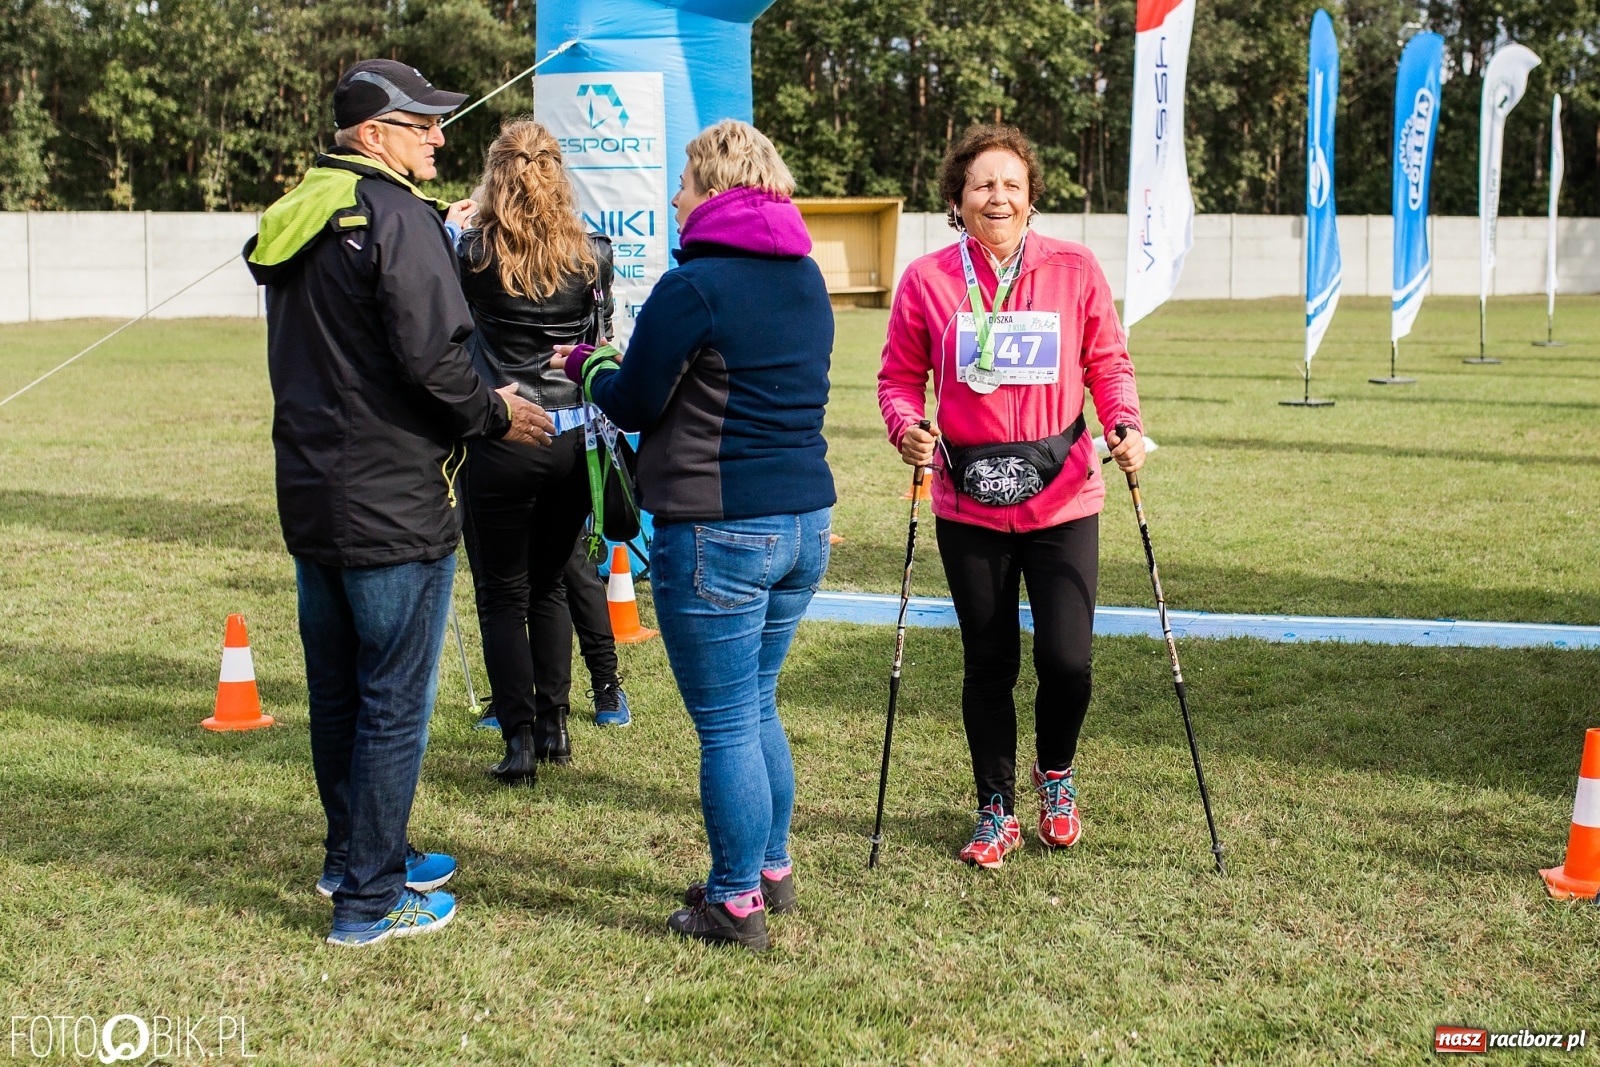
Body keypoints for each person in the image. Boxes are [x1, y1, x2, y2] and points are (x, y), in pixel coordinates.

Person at [245, 59, 553, 946]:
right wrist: (497, 413)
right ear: (373, 135)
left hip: (312, 492)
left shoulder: (302, 208)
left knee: (340, 691)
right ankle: (369, 898)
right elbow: (435, 361)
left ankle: (355, 854)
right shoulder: (395, 217)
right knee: (391, 700)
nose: (440, 137)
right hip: (393, 501)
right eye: (422, 124)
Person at [554, 120, 834, 951]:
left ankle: (735, 900)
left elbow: (633, 400)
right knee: (756, 703)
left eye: (682, 182)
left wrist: (590, 363)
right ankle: (769, 868)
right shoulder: (808, 276)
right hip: (804, 523)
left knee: (725, 725)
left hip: (719, 530)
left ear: (713, 188)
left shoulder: (697, 286)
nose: (674, 198)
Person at [877, 124, 1145, 869]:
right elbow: (898, 378)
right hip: (970, 502)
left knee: (1068, 661)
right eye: (981, 184)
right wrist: (907, 427)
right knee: (987, 662)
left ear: (1031, 198)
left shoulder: (1075, 268)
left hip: (1063, 496)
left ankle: (1054, 772)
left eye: (1010, 184)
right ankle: (996, 805)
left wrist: (1123, 421)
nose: (997, 195)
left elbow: (1109, 363)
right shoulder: (928, 279)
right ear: (957, 200)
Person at [454, 119, 626, 785]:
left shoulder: (470, 252)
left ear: (496, 176)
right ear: (557, 177)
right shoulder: (592, 254)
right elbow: (602, 339)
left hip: (499, 432)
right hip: (568, 433)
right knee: (551, 583)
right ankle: (554, 724)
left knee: (502, 593)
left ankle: (520, 739)